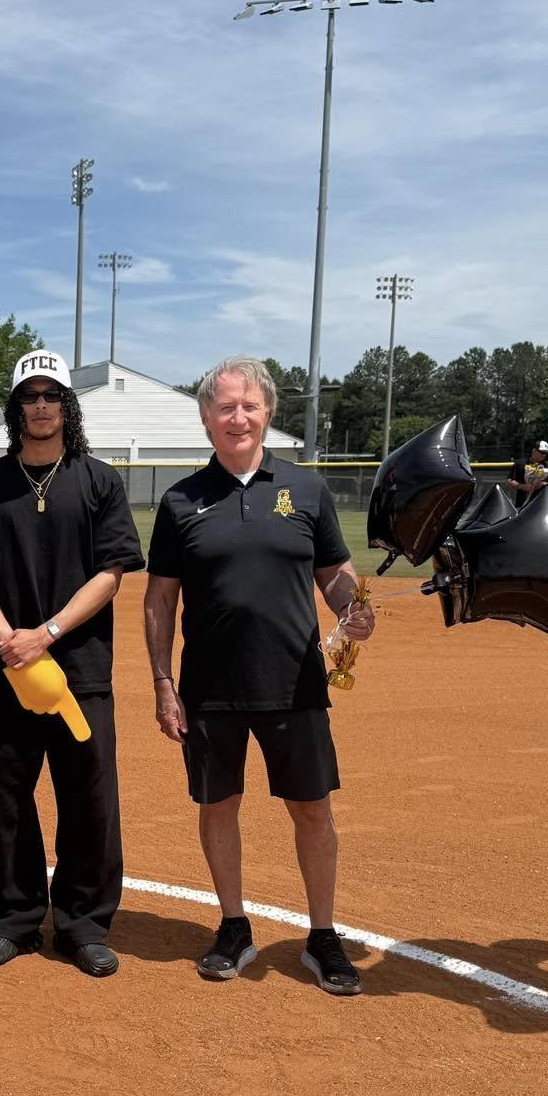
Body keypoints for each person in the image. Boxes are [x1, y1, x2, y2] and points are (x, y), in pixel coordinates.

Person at [143, 355, 374, 993]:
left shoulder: (306, 489)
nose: (238, 417)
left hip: (294, 681)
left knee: (311, 809)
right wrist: (163, 684)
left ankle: (322, 936)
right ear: (207, 420)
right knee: (218, 806)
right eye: (225, 408)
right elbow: (160, 599)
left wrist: (354, 607)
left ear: (267, 412)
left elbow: (333, 573)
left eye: (249, 405)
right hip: (209, 687)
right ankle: (234, 925)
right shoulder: (181, 499)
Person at [0, 349, 144, 977]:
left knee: (89, 800)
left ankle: (83, 923)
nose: (41, 406)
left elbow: (112, 572)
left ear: (68, 405)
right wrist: (12, 640)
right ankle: (13, 919)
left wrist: (48, 633)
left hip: (80, 673)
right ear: (16, 408)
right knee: (8, 799)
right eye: (29, 396)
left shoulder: (98, 480)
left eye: (51, 395)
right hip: (4, 671)